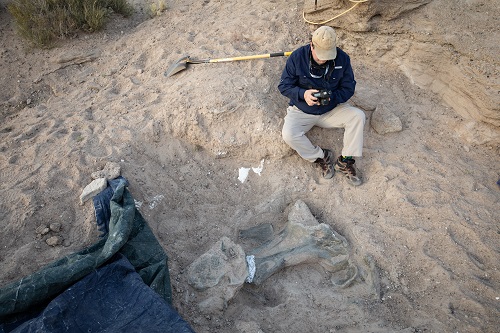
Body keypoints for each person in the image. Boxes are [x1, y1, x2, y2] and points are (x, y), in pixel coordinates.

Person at [278, 26, 366, 186]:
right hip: (302, 110)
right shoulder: (297, 57)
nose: (324, 59)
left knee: (358, 116)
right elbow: (284, 86)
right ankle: (320, 156)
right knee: (289, 134)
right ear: (312, 45)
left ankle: (345, 161)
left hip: (331, 110)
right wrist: (303, 94)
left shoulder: (343, 59)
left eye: (328, 56)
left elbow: (348, 88)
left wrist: (332, 97)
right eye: (320, 56)